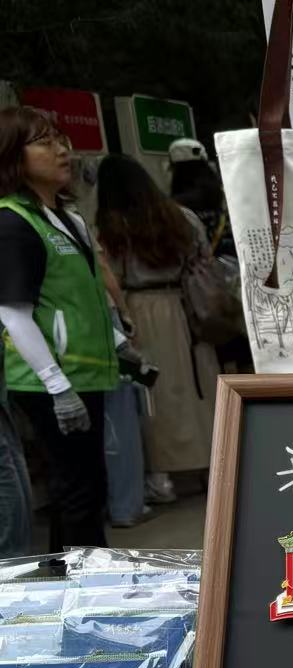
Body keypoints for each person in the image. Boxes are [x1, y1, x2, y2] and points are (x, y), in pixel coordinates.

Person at [0, 106, 117, 551]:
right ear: (13, 154)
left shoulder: (67, 218)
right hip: (52, 380)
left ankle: (70, 578)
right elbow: (13, 314)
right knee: (79, 493)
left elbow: (77, 295)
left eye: (60, 139)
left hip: (84, 373)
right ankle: (87, 584)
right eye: (44, 142)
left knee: (85, 489)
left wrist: (119, 341)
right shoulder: (12, 221)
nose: (61, 150)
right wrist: (57, 386)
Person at [96, 153, 220, 504]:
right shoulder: (181, 216)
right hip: (186, 307)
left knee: (154, 395)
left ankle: (162, 477)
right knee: (200, 388)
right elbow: (203, 260)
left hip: (141, 309)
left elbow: (111, 277)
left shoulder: (112, 227)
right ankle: (212, 466)